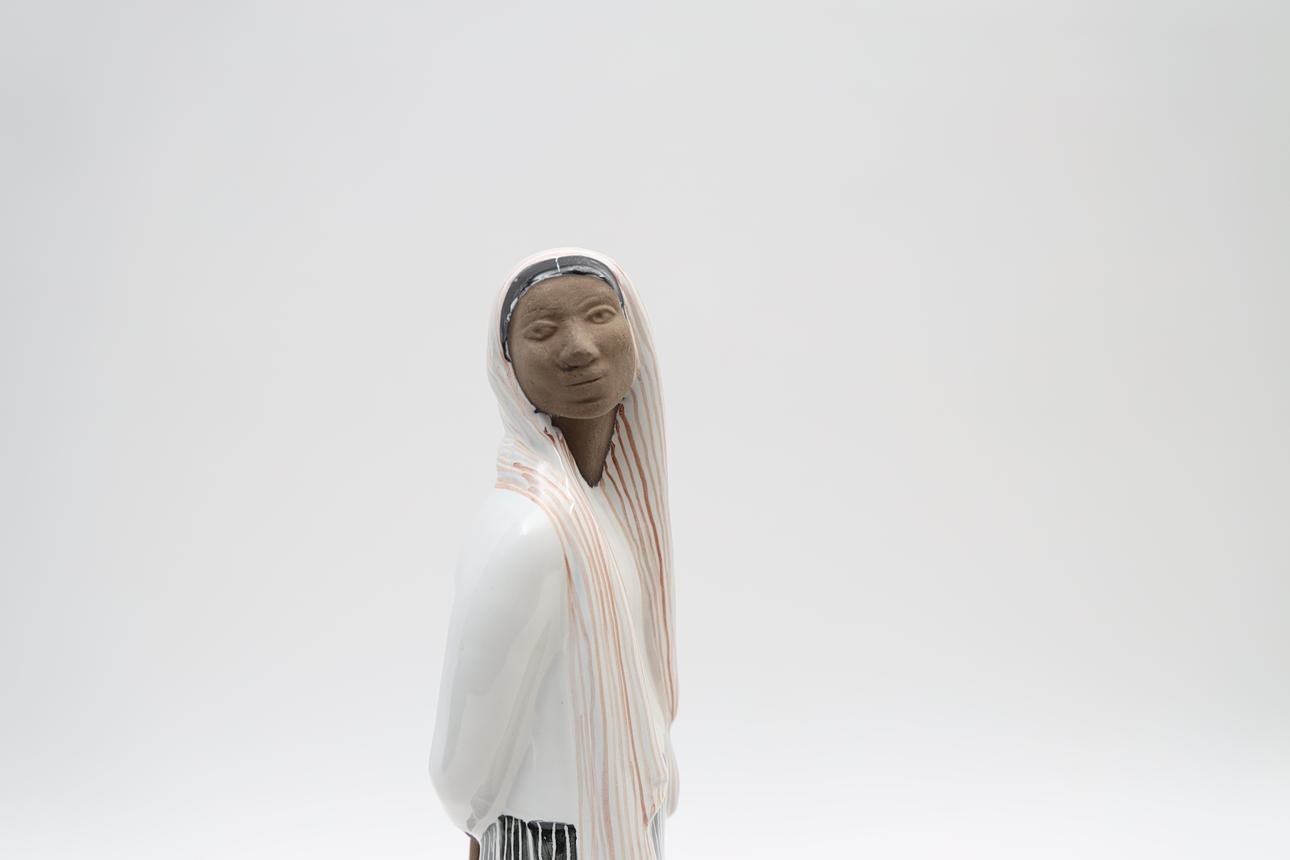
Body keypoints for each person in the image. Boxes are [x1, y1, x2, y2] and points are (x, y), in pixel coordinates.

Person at [430, 249, 679, 860]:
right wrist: (479, 826)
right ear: (507, 363)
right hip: (549, 840)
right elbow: (463, 758)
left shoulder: (610, 510)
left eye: (599, 315)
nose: (580, 348)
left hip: (622, 825)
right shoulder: (528, 531)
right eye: (543, 331)